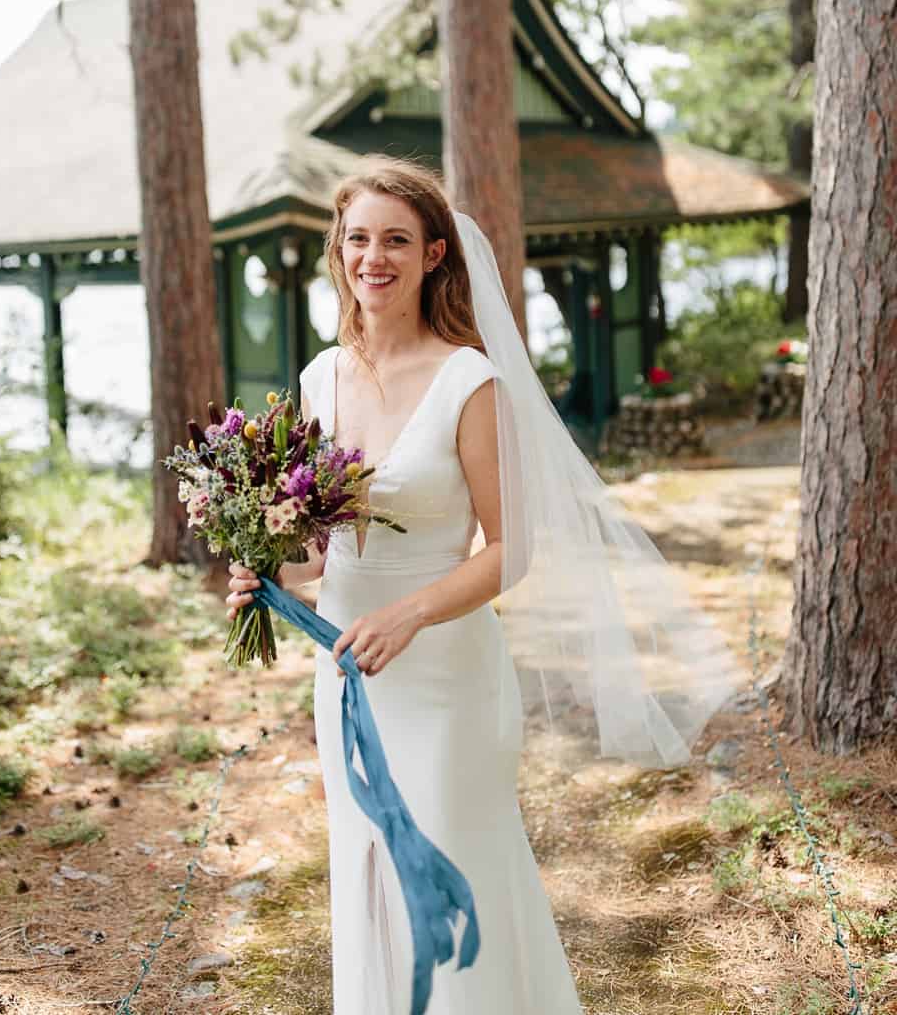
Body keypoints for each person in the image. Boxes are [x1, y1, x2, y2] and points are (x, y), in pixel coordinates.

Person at [227, 157, 732, 1013]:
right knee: (369, 867)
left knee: (452, 855)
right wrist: (263, 570)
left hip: (447, 670)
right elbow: (316, 555)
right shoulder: (319, 378)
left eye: (396, 239)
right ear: (338, 253)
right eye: (358, 239)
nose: (373, 257)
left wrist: (412, 614)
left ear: (434, 256)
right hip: (348, 669)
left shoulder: (470, 381)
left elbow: (512, 550)